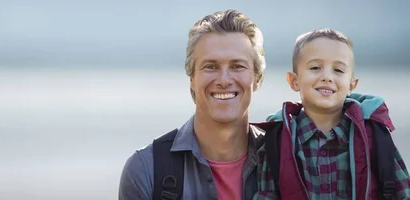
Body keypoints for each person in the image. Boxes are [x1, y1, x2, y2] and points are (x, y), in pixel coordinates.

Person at [118, 9, 266, 200]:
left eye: (237, 66)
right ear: (192, 78)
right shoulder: (146, 170)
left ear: (257, 78)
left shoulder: (285, 160)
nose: (223, 79)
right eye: (210, 66)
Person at [253, 28, 410, 199]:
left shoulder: (373, 134)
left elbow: (403, 192)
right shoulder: (278, 140)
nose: (327, 77)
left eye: (338, 70)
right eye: (315, 67)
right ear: (294, 81)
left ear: (352, 85)